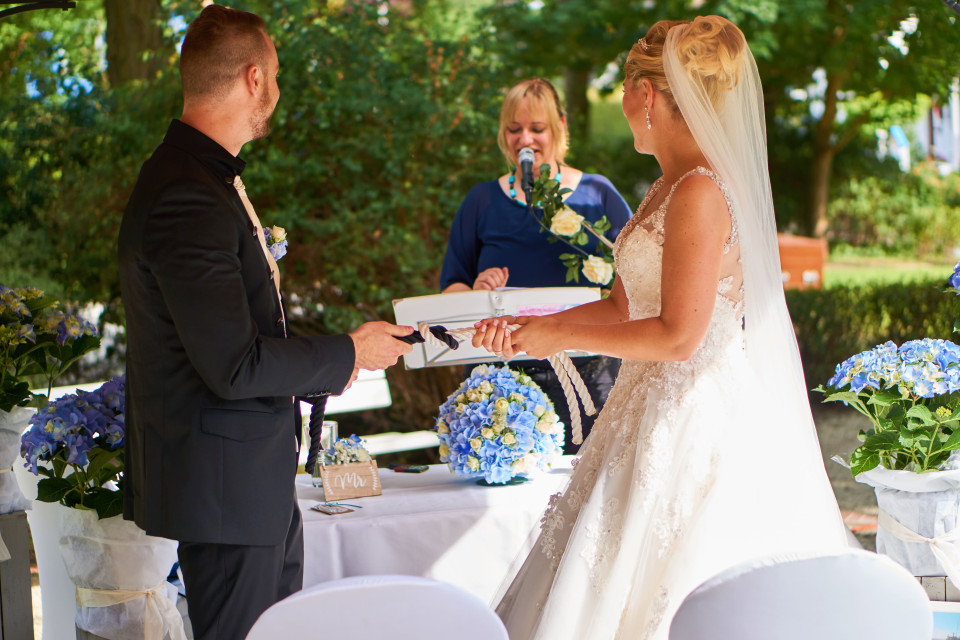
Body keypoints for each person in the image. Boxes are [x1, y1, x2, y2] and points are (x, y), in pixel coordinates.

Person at [472, 17, 853, 639]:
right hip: (641, 404)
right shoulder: (662, 189)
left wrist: (560, 338)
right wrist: (532, 327)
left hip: (692, 417)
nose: (622, 107)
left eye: (625, 92)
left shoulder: (701, 191)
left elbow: (681, 336)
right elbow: (624, 308)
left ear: (646, 95)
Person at [116, 6, 412, 639]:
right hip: (227, 497)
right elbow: (234, 364)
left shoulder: (200, 178)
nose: (278, 90)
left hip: (249, 487)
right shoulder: (187, 195)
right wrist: (349, 352)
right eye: (276, 74)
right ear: (254, 77)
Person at [440, 78, 632, 454]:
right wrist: (478, 293)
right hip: (501, 380)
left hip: (587, 372)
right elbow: (451, 287)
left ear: (560, 125)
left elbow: (639, 278)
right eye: (514, 129)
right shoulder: (481, 201)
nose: (524, 139)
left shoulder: (598, 195)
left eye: (536, 128)